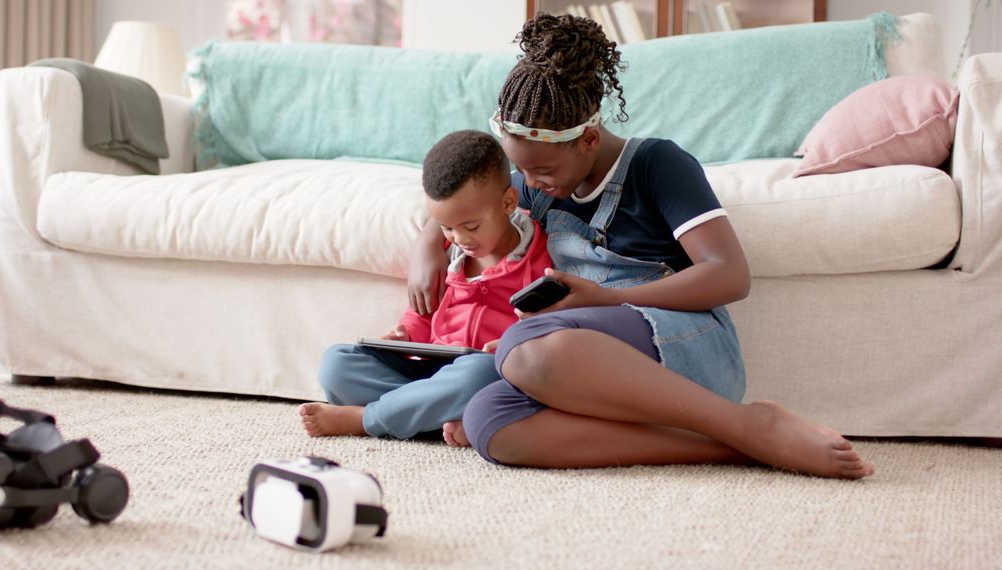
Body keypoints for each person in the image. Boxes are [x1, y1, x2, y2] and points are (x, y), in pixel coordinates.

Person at [416, 14, 875, 479]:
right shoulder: (539, 181)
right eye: (524, 173)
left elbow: (730, 274)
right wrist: (426, 249)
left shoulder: (658, 165)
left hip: (684, 345)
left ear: (589, 139)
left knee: (523, 345)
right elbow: (469, 204)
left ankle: (746, 422)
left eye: (543, 174)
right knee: (488, 422)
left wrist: (609, 299)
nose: (531, 185)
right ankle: (739, 443)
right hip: (596, 366)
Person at [300, 130, 553, 442]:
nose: (459, 239)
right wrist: (404, 334)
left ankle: (367, 419)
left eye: (471, 226)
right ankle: (445, 415)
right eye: (446, 228)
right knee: (336, 364)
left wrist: (512, 345)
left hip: (489, 373)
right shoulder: (448, 255)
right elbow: (422, 314)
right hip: (434, 370)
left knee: (477, 374)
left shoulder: (543, 257)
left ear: (508, 202)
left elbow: (550, 328)